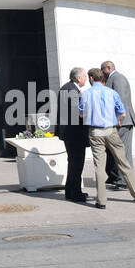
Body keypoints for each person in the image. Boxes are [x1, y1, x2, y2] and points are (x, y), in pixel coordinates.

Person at [79, 68, 135, 207]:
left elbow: (81, 114)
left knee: (99, 166)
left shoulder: (86, 94)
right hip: (111, 130)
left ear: (91, 78)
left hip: (95, 132)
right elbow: (122, 113)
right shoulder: (111, 92)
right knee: (123, 162)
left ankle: (101, 201)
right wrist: (116, 118)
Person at [54, 67, 90, 202]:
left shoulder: (67, 88)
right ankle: (75, 193)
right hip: (74, 134)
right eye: (85, 76)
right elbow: (77, 112)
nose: (86, 79)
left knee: (73, 163)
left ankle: (71, 191)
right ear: (78, 78)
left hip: (70, 133)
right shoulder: (71, 90)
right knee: (76, 163)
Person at [101, 60, 135, 190]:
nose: (102, 73)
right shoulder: (114, 78)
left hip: (123, 121)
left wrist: (118, 118)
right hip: (121, 121)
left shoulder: (118, 78)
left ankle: (124, 181)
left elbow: (120, 98)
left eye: (103, 70)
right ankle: (117, 177)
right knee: (116, 151)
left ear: (109, 68)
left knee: (124, 152)